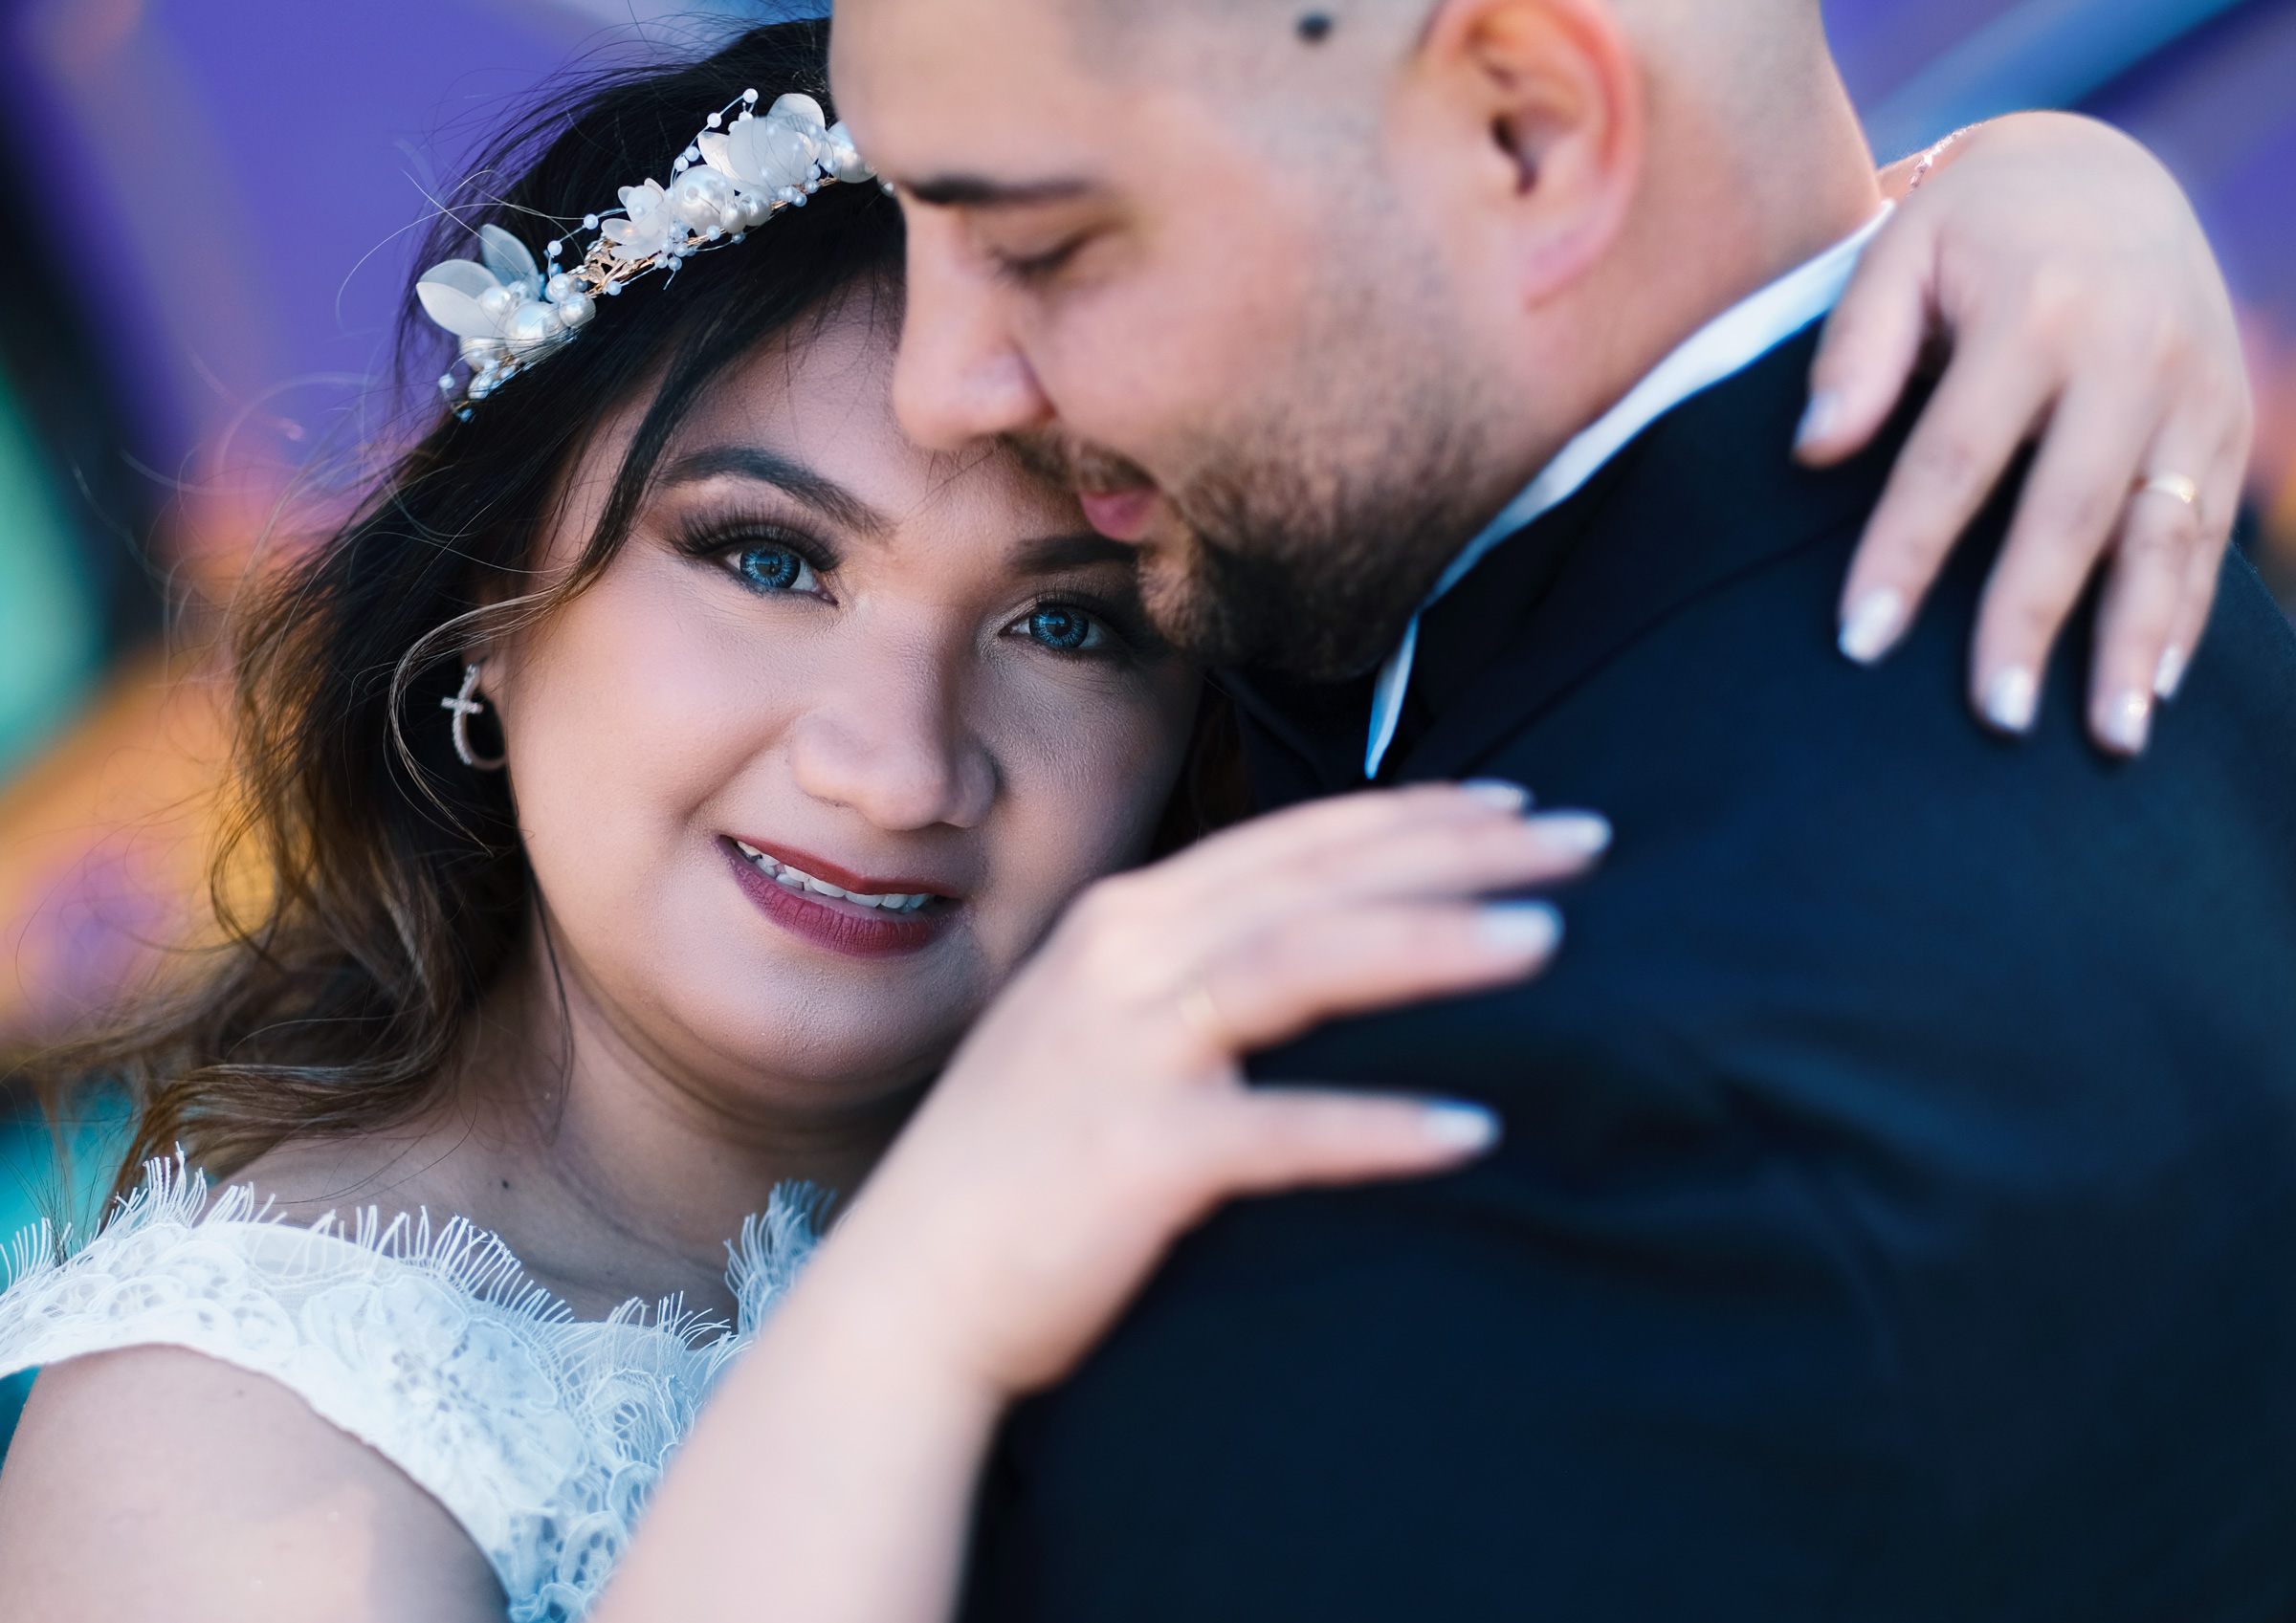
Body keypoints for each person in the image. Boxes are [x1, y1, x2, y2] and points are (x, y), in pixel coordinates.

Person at [0, 16, 2265, 1623]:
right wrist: (903, 1322)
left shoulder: (1341, 941)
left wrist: (2033, 198)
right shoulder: (223, 1445)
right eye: (765, 557)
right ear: (493, 612)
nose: (895, 760)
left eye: (1069, 623)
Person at [809, 0, 2291, 1617]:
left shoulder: (1550, 1141)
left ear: (1528, 130)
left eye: (1044, 245)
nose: (938, 386)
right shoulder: (2126, 554)